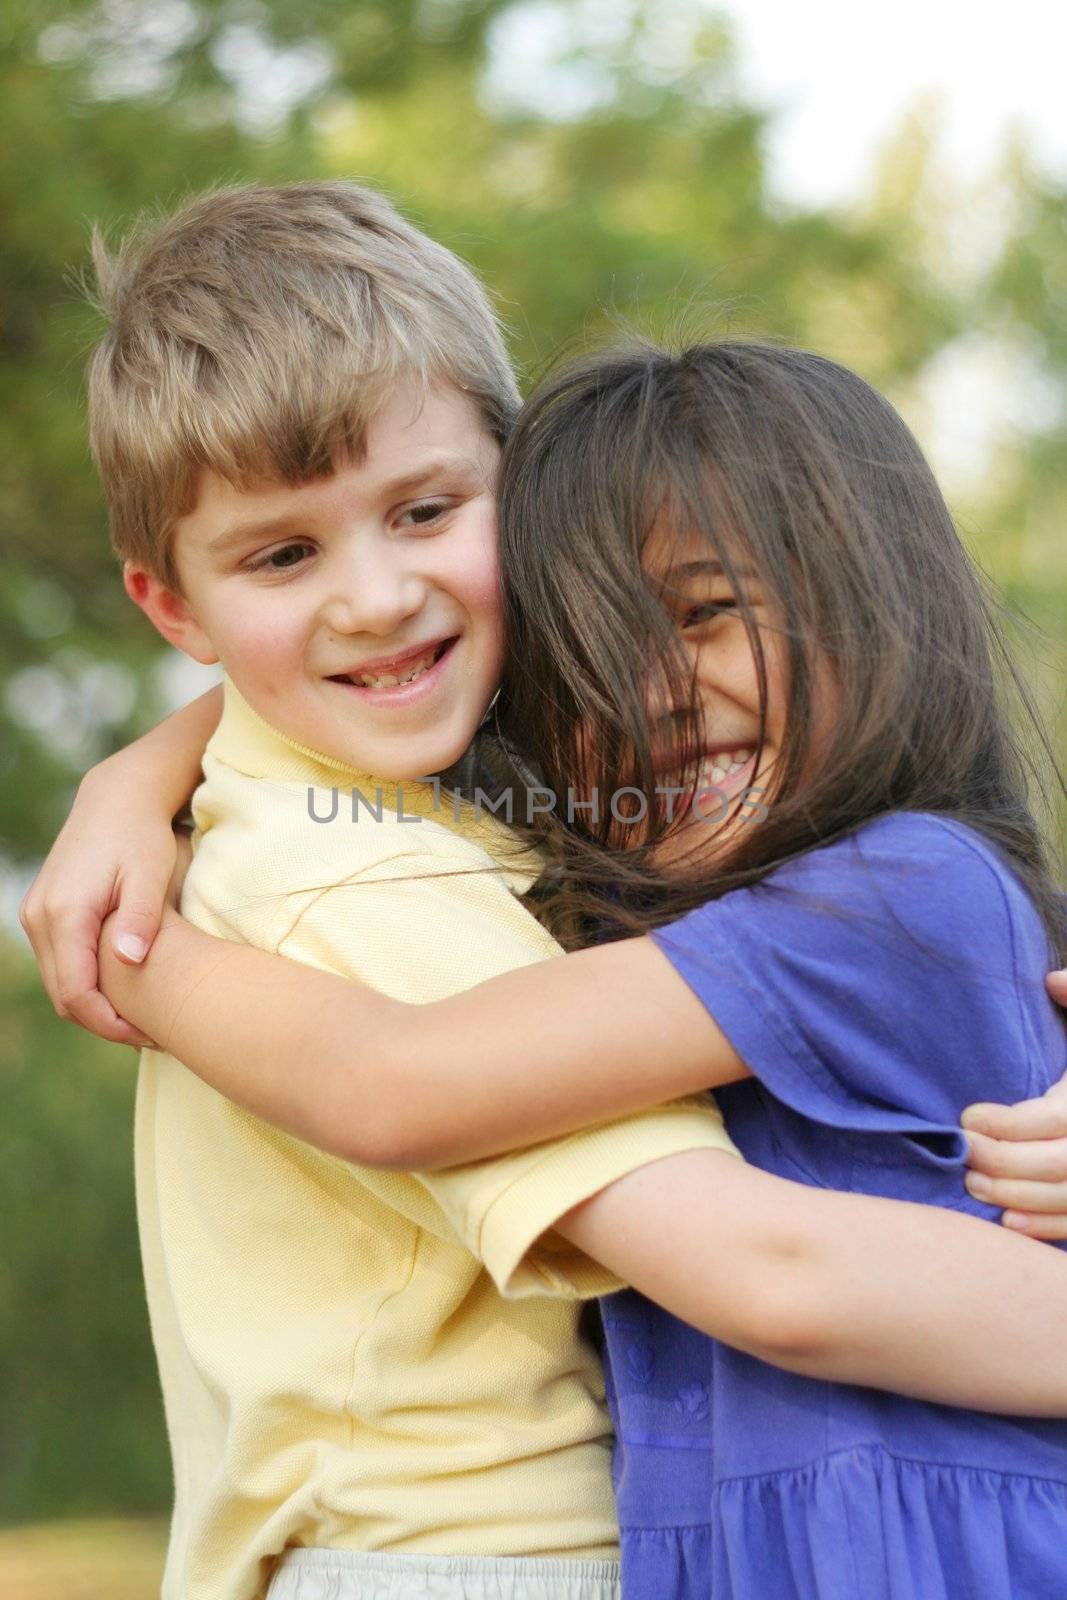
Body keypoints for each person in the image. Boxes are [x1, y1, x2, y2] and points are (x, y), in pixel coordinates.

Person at [49, 339, 1067, 1600]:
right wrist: (133, 784)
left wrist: (135, 956)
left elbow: (398, 1078)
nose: (653, 695)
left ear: (872, 600)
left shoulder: (898, 891)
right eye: (587, 654)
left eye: (705, 612)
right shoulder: (626, 933)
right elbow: (359, 662)